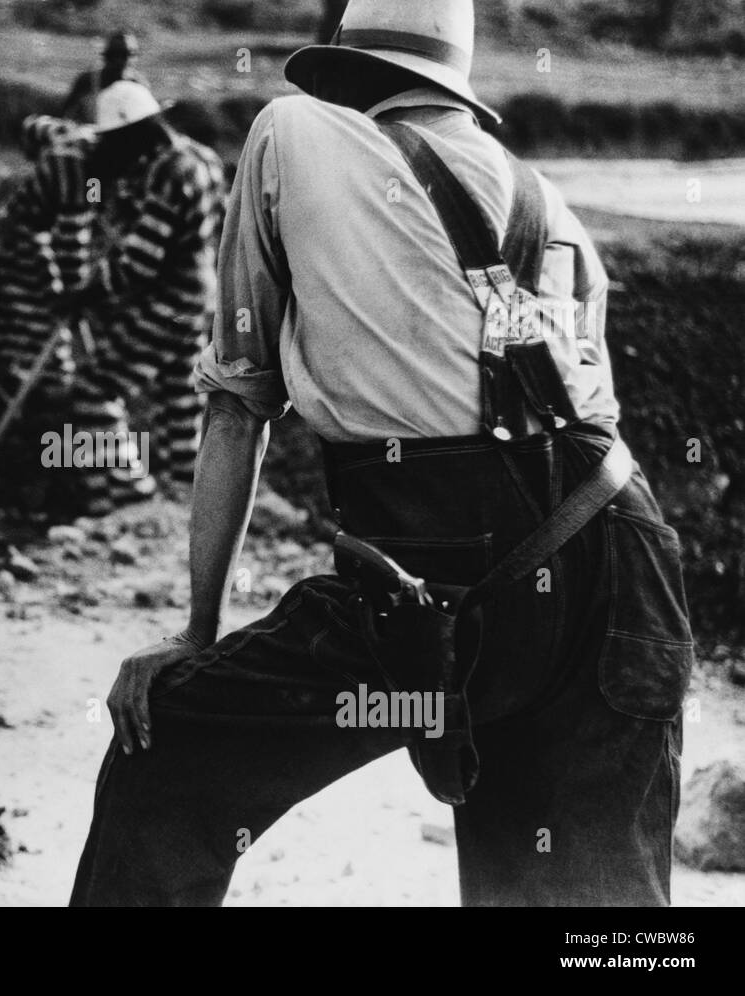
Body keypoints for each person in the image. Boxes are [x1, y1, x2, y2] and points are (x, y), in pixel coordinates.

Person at [70, 0, 693, 907]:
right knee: (584, 910)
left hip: (442, 559)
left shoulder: (290, 133)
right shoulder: (549, 204)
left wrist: (196, 637)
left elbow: (240, 410)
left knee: (166, 755)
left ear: (348, 73)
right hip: (628, 561)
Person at [62, 81, 227, 513]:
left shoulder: (169, 171)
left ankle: (130, 499)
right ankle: (187, 505)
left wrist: (89, 290)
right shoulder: (203, 158)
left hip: (169, 303)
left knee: (94, 391)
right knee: (179, 401)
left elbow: (142, 259)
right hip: (199, 300)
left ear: (136, 132)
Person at [0, 113, 98, 397]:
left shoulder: (73, 162)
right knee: (37, 314)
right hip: (25, 243)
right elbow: (66, 234)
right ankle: (43, 385)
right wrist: (68, 284)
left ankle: (16, 374)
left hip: (27, 240)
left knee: (23, 309)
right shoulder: (66, 167)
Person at [60, 32, 148, 124]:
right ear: (107, 57)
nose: (125, 61)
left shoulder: (139, 84)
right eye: (118, 55)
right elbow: (66, 115)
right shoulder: (88, 81)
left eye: (131, 54)